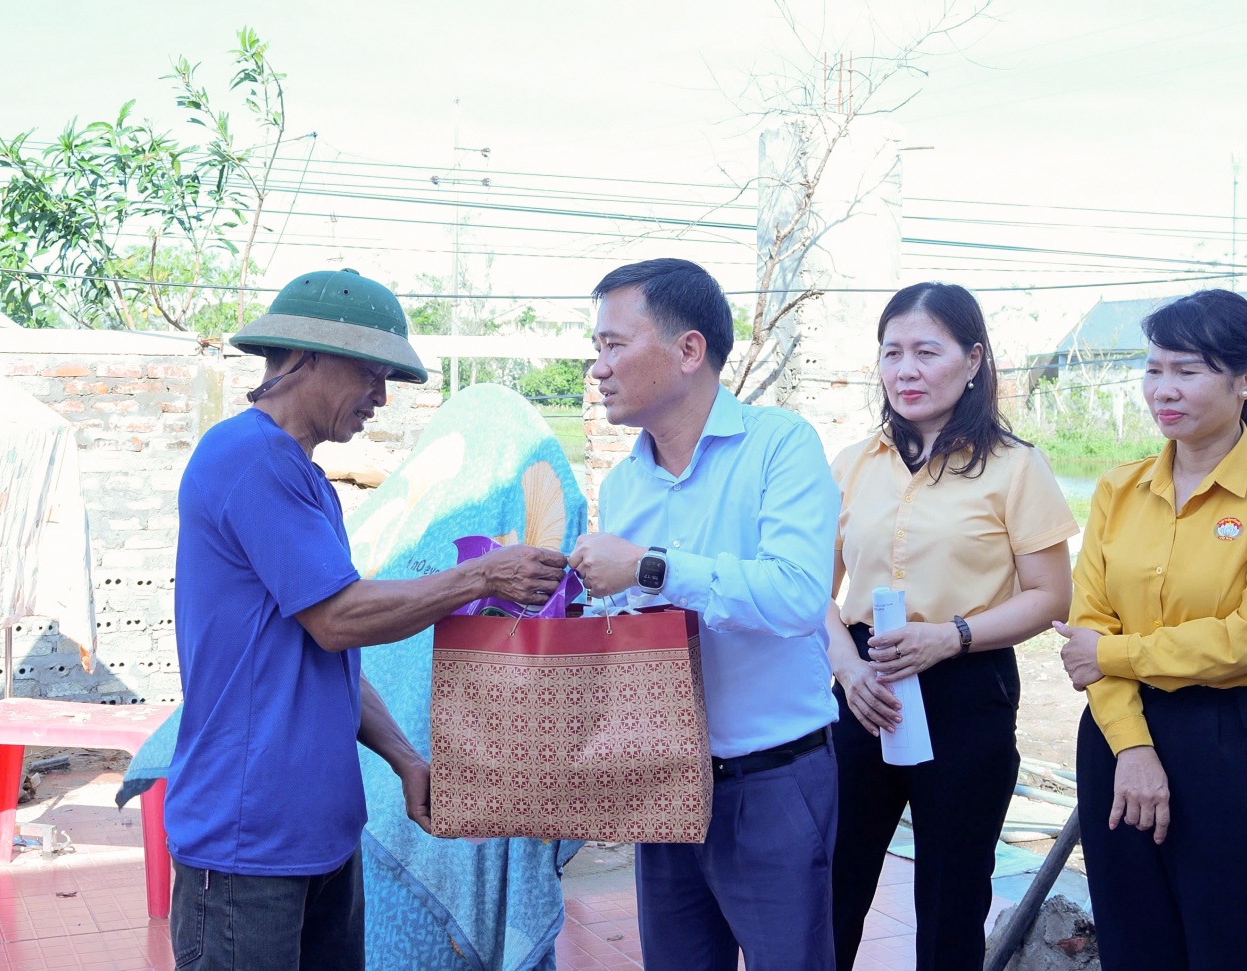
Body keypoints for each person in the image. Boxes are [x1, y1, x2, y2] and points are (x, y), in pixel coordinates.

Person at [167, 268, 568, 971]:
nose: (381, 397)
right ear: (305, 356)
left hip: (319, 836)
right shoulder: (246, 457)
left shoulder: (305, 477)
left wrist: (406, 758)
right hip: (247, 842)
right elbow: (338, 620)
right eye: (371, 373)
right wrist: (480, 574)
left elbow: (326, 663)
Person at [567, 258, 841, 971]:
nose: (598, 368)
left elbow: (797, 595)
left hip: (773, 782)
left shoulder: (781, 445)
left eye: (614, 345)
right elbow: (636, 627)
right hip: (662, 779)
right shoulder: (625, 482)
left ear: (689, 350)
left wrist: (652, 566)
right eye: (597, 348)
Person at [1055, 289, 1247, 971]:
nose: (1163, 389)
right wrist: (1132, 746)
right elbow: (1087, 619)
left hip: (1235, 741)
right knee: (1135, 940)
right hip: (1119, 740)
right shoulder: (1118, 490)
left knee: (1239, 941)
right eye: (1153, 369)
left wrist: (1115, 653)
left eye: (1188, 370)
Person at [824, 282, 1077, 971]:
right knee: (832, 885)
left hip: (966, 687)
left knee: (951, 895)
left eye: (925, 352)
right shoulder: (852, 464)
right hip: (861, 691)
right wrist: (847, 669)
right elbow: (814, 591)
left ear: (972, 360)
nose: (905, 370)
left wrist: (952, 635)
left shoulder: (1014, 466)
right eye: (892, 352)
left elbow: (1051, 595)